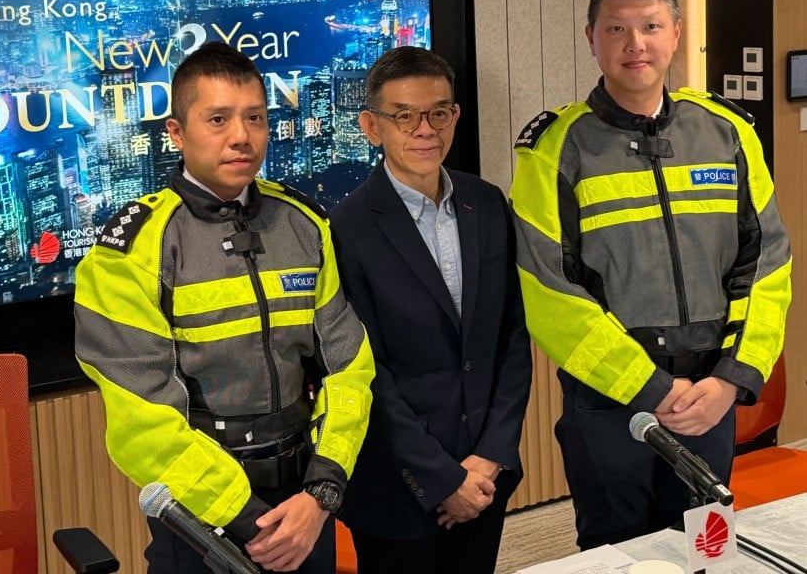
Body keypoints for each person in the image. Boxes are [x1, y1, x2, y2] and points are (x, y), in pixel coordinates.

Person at [509, 0, 792, 549]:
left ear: (676, 34)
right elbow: (550, 289)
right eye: (615, 29)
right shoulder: (554, 149)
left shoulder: (729, 133)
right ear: (591, 39)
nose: (634, 45)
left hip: (710, 396)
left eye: (650, 25)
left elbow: (767, 263)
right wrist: (650, 389)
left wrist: (729, 381)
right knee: (618, 553)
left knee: (705, 549)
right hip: (611, 402)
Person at [74, 41, 375, 573]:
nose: (242, 136)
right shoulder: (131, 252)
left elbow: (349, 370)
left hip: (305, 504)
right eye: (218, 119)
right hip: (200, 518)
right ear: (176, 132)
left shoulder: (303, 224)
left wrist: (322, 491)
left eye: (255, 118)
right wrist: (244, 518)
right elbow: (144, 424)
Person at [330, 46, 532, 574]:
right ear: (372, 127)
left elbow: (511, 338)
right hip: (397, 486)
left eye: (438, 112)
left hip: (486, 473)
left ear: (455, 117)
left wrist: (490, 457)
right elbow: (363, 373)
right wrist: (444, 480)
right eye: (404, 115)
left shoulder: (487, 203)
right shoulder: (347, 227)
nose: (425, 129)